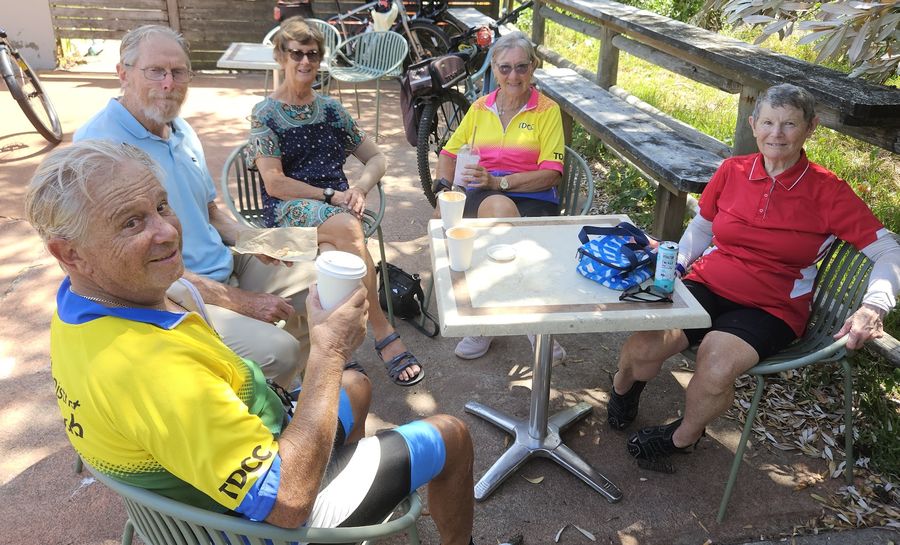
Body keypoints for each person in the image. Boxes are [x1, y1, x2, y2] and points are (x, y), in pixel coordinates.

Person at [28, 140, 476, 543]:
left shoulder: (80, 307)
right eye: (131, 223)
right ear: (69, 253)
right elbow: (287, 502)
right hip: (261, 524)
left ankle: (352, 490)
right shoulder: (153, 371)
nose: (167, 232)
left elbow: (187, 292)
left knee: (355, 385)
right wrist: (328, 350)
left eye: (162, 206)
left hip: (225, 473)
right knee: (451, 434)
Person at [608, 84, 900, 469]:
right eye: (768, 123)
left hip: (771, 307)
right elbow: (703, 226)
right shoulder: (733, 170)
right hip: (707, 283)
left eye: (789, 124)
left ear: (810, 128)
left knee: (715, 364)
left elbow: (888, 250)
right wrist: (678, 264)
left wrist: (873, 307)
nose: (776, 134)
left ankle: (683, 437)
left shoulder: (828, 191)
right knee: (644, 346)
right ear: (753, 125)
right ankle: (623, 390)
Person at [74, 25, 312, 389]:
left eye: (179, 72)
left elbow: (209, 212)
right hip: (168, 290)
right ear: (123, 73)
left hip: (221, 262)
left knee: (322, 283)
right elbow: (130, 266)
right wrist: (239, 301)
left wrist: (255, 239)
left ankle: (294, 387)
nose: (169, 84)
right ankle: (265, 407)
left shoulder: (181, 129)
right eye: (156, 71)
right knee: (278, 351)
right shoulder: (99, 147)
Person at [247, 17, 423, 386]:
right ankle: (382, 330)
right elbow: (275, 184)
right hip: (290, 209)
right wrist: (330, 195)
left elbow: (377, 158)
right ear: (281, 56)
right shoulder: (265, 113)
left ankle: (333, 344)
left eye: (312, 54)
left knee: (332, 251)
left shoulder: (331, 110)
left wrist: (360, 188)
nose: (305, 62)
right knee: (347, 228)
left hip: (338, 209)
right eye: (296, 53)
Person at [434, 31, 568, 364]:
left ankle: (491, 320)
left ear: (533, 67)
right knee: (482, 211)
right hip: (482, 192)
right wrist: (444, 190)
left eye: (521, 67)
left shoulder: (547, 111)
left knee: (497, 211)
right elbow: (449, 153)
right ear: (494, 68)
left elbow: (552, 173)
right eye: (505, 68)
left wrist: (499, 182)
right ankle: (529, 323)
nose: (513, 76)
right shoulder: (480, 108)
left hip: (535, 196)